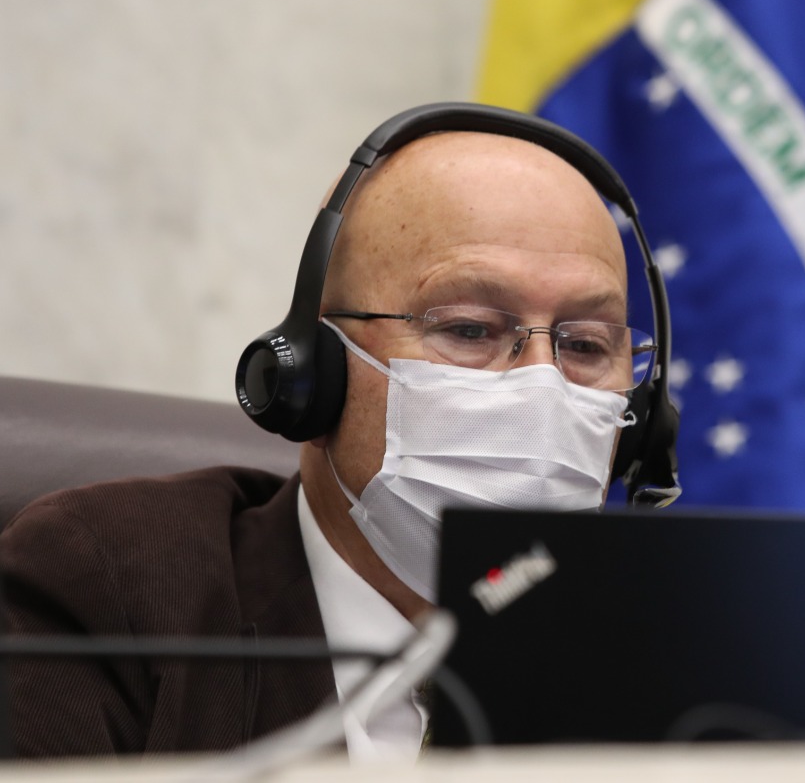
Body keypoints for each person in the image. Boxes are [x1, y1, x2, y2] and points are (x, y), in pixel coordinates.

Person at [0, 105, 677, 760]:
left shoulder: (670, 648)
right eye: (470, 329)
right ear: (313, 374)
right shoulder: (109, 584)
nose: (542, 391)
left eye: (585, 345)